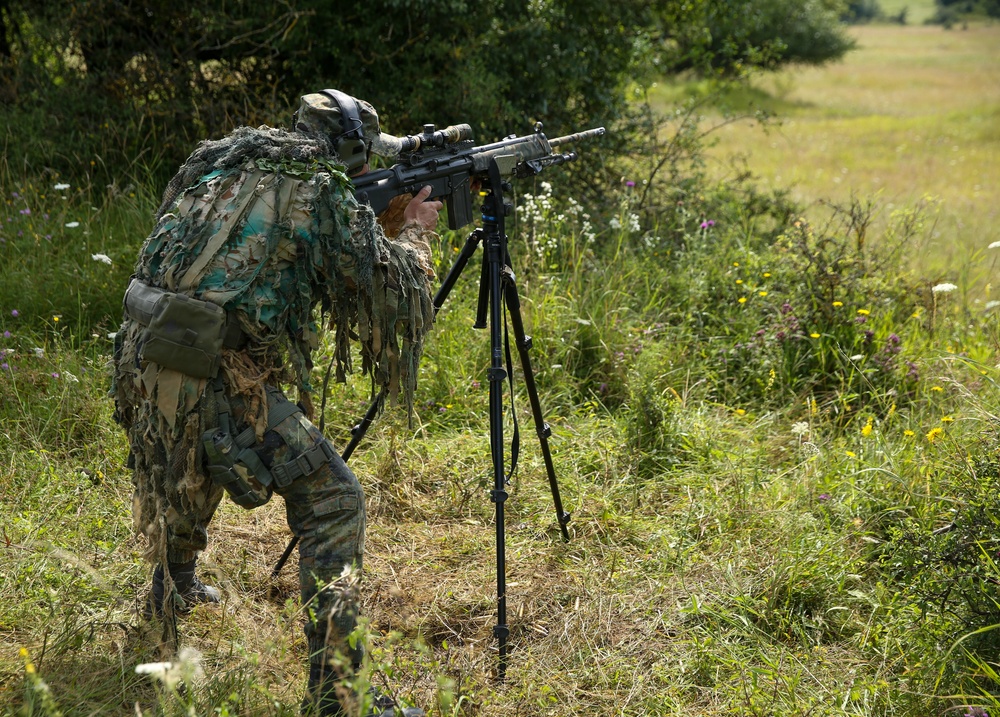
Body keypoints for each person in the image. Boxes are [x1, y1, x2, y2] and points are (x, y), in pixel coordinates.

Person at [111, 89, 441, 717]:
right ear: (348, 148)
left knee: (190, 455)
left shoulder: (225, 160)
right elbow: (388, 299)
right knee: (334, 500)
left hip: (144, 346)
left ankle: (171, 588)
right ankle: (340, 698)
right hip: (209, 364)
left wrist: (375, 223)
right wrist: (414, 238)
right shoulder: (321, 188)